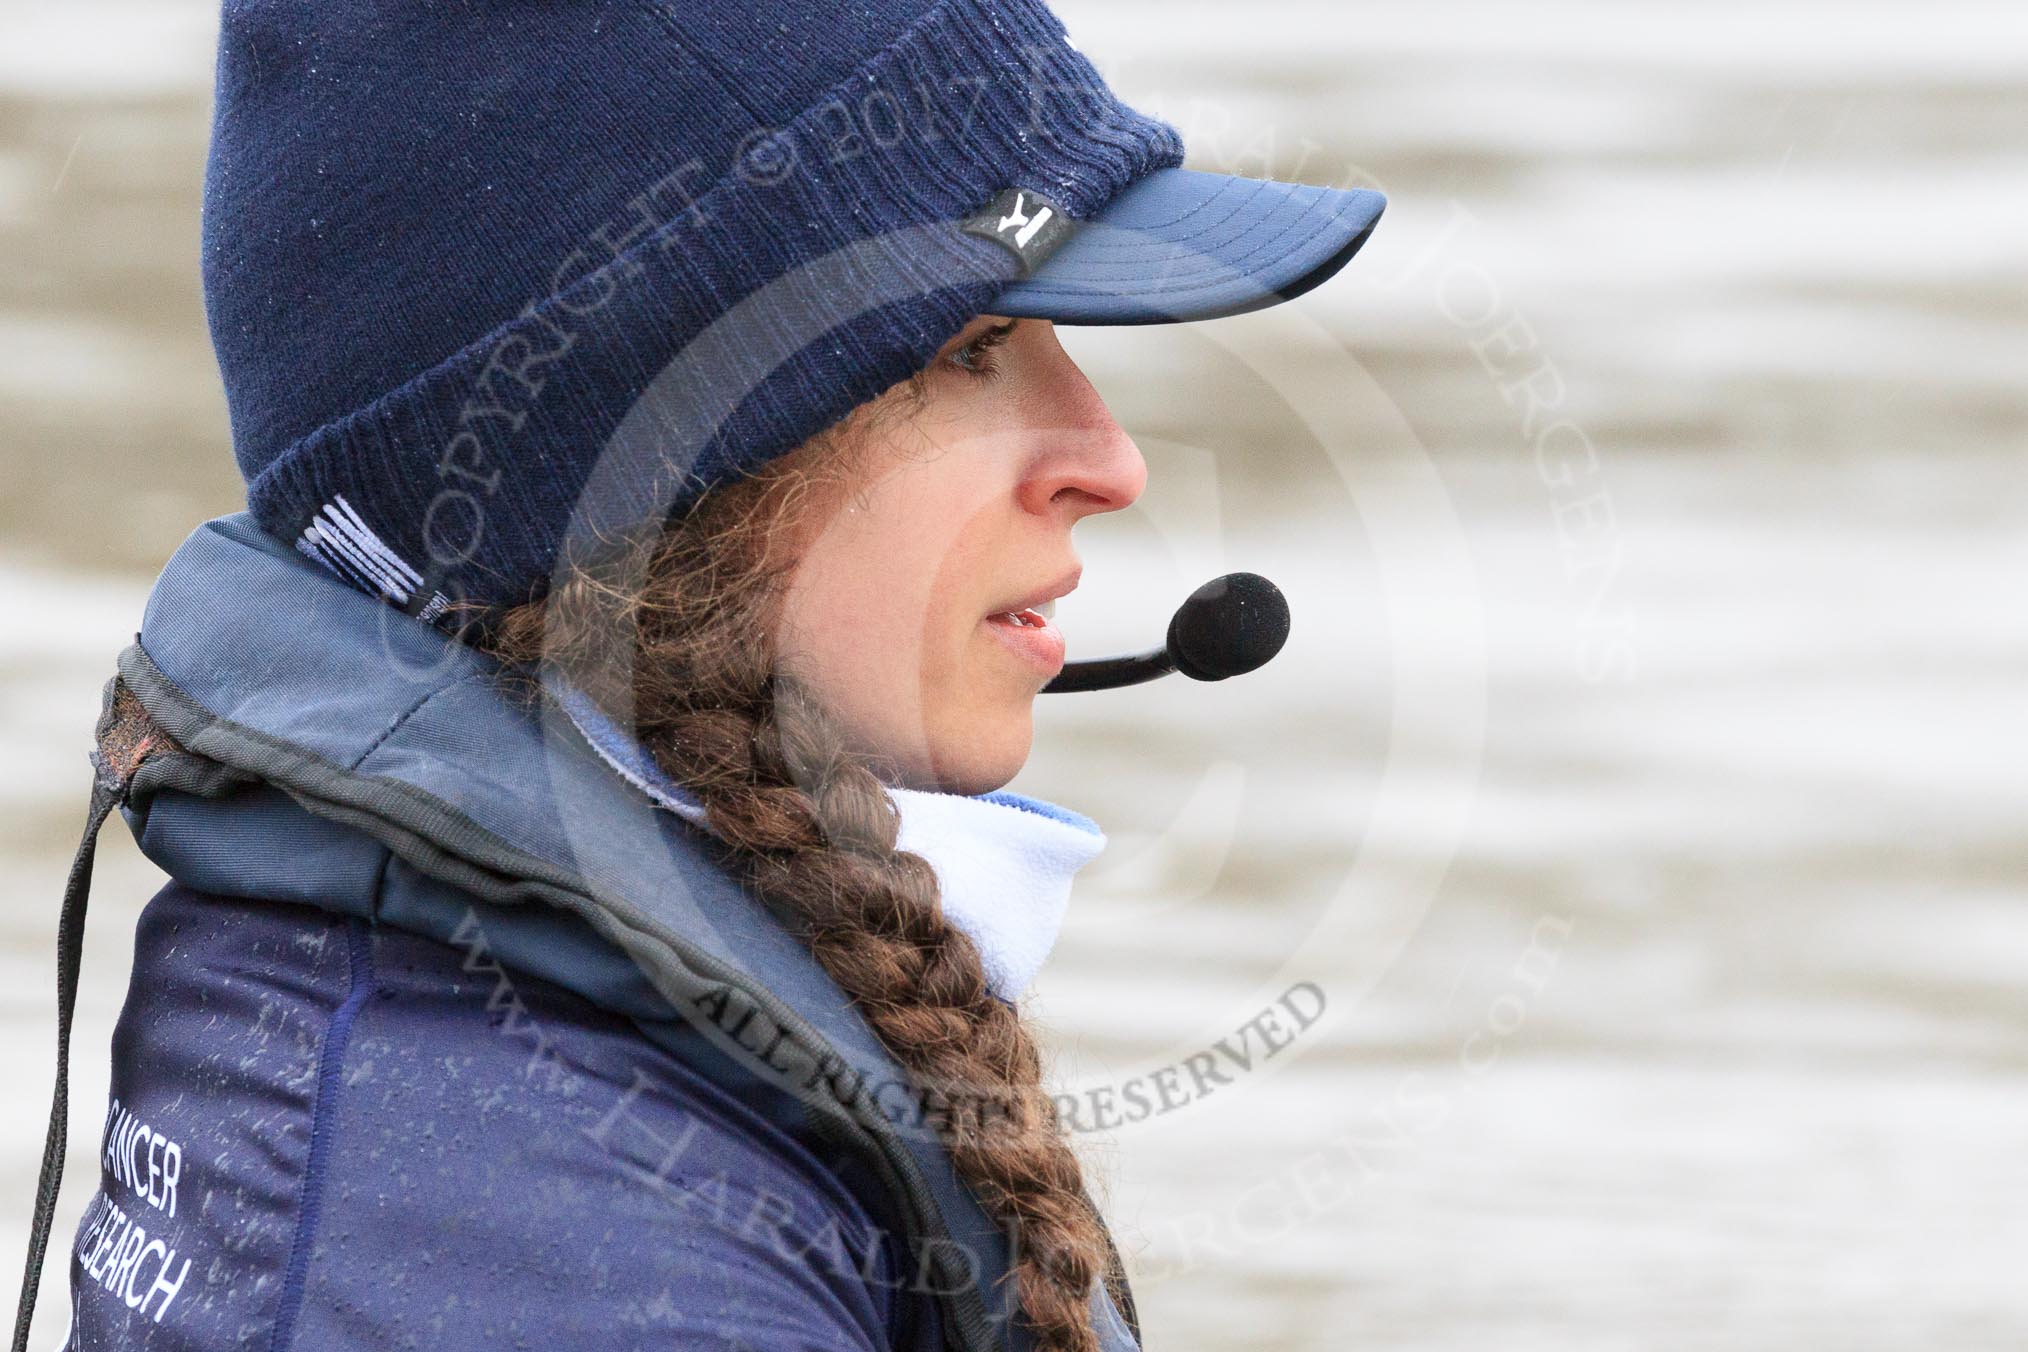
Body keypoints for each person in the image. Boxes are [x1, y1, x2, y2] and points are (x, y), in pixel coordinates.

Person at [15, 1, 1385, 1349]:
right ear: (651, 479)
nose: (1109, 458)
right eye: (972, 351)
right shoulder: (553, 1248)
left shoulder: (528, 1089)